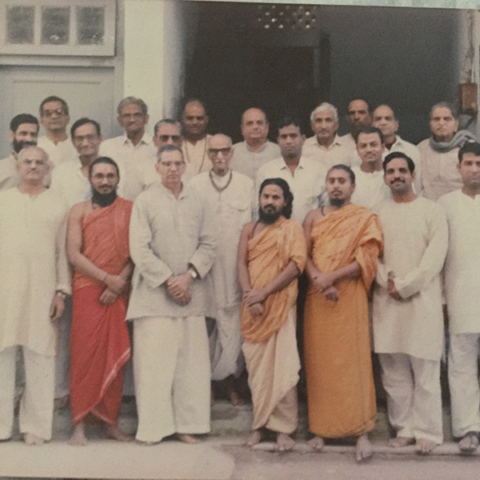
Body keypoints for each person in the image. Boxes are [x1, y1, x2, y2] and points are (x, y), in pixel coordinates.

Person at [127, 144, 216, 445]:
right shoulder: (145, 200)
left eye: (178, 163)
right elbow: (139, 248)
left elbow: (209, 244)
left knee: (190, 367)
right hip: (154, 297)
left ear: (185, 167)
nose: (173, 169)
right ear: (157, 167)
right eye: (166, 164)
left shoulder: (199, 200)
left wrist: (188, 277)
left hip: (192, 294)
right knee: (154, 366)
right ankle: (153, 428)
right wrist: (169, 281)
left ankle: (186, 426)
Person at [303, 164, 383, 462]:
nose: (335, 186)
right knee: (320, 362)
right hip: (318, 296)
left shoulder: (364, 217)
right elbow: (303, 255)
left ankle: (360, 431)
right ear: (325, 185)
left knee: (354, 361)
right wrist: (320, 280)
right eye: (331, 181)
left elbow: (367, 256)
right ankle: (321, 429)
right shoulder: (313, 216)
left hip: (349, 295)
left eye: (342, 181)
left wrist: (333, 277)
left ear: (352, 186)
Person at [373, 152, 448, 454]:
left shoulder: (432, 210)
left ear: (413, 175)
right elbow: (371, 254)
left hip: (422, 300)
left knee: (425, 371)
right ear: (384, 178)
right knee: (394, 373)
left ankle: (429, 432)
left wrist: (405, 286)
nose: (397, 175)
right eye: (391, 171)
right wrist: (386, 280)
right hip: (386, 301)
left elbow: (435, 258)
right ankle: (404, 428)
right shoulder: (376, 212)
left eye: (402, 170)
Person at [0, 146, 70, 445]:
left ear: (48, 168)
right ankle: (1, 428)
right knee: (1, 356)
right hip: (5, 289)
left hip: (43, 290)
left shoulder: (59, 204)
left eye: (39, 163)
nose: (33, 167)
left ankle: (36, 428)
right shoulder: (3, 201)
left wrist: (61, 291)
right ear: (17, 166)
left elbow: (63, 253)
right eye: (27, 162)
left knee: (41, 356)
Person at [67, 157, 133, 446]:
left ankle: (110, 423)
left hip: (119, 289)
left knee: (115, 357)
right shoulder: (78, 211)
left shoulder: (130, 210)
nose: (105, 181)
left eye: (110, 176)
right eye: (99, 176)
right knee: (83, 356)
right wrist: (107, 279)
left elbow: (136, 253)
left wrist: (118, 284)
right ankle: (78, 425)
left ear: (118, 178)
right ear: (90, 179)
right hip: (87, 288)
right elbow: (74, 254)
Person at [238, 178, 307, 451]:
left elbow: (296, 265)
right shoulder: (249, 229)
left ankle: (283, 430)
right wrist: (249, 296)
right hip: (252, 308)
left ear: (285, 202)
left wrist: (264, 293)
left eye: (276, 197)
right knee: (257, 371)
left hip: (279, 306)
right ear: (259, 199)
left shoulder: (292, 228)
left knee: (284, 368)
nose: (269, 201)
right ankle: (259, 425)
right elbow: (241, 264)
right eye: (265, 196)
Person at [189, 134, 254, 405]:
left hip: (234, 265)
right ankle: (206, 384)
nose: (219, 157)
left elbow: (253, 228)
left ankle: (229, 381)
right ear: (208, 153)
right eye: (213, 151)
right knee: (206, 323)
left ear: (231, 153)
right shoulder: (193, 185)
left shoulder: (246, 184)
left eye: (224, 151)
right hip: (204, 267)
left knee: (232, 323)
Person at [438, 142, 480, 453]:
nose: (475, 169)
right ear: (458, 167)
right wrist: (442, 300)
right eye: (469, 163)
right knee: (462, 364)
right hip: (460, 295)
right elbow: (438, 256)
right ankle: (468, 429)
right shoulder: (445, 204)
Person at [255, 116, 325, 224]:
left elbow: (326, 209)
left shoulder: (318, 170)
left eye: (293, 136)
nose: (288, 141)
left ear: (303, 139)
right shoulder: (266, 172)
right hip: (274, 236)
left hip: (310, 236)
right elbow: (258, 211)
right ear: (278, 141)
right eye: (284, 137)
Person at [99, 97, 157, 201]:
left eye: (137, 115)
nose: (132, 119)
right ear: (120, 120)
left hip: (150, 209)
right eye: (127, 116)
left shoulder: (157, 146)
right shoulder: (107, 147)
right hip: (114, 208)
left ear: (146, 119)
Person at [417, 102, 476, 201]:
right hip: (430, 208)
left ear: (456, 125)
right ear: (430, 125)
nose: (441, 123)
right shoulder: (421, 149)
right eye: (436, 119)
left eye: (447, 119)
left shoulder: (469, 148)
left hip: (460, 207)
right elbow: (416, 186)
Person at [50, 118, 104, 207]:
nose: (85, 143)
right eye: (80, 139)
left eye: (90, 137)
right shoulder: (61, 172)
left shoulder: (115, 169)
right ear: (73, 142)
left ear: (100, 138)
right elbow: (55, 205)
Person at [230, 108, 280, 179]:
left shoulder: (279, 152)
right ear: (242, 128)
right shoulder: (231, 153)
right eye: (250, 123)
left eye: (259, 123)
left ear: (267, 127)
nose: (255, 127)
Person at [302, 102, 353, 168]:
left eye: (328, 120)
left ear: (336, 125)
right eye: (318, 120)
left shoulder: (349, 147)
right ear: (313, 126)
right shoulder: (303, 147)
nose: (323, 126)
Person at [351, 127, 391, 209]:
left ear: (383, 147)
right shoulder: (349, 176)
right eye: (363, 146)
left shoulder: (394, 174)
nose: (368, 150)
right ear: (357, 150)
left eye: (373, 145)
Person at [0, 114, 39, 190]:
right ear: (11, 135)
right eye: (23, 134)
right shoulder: (2, 168)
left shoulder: (47, 168)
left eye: (33, 134)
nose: (29, 139)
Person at [37, 96, 77, 167]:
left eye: (58, 112)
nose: (54, 117)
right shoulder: (35, 145)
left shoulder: (77, 145)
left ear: (68, 118)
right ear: (41, 120)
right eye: (48, 114)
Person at [181, 99, 212, 182]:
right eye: (190, 118)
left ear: (206, 120)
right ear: (182, 120)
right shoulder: (175, 144)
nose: (195, 122)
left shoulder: (215, 143)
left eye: (199, 118)